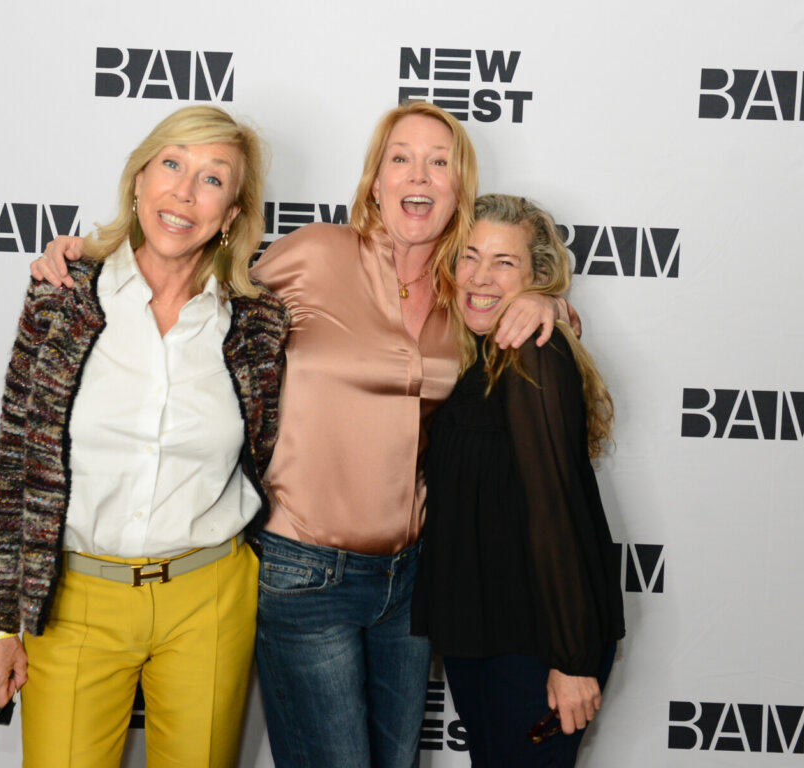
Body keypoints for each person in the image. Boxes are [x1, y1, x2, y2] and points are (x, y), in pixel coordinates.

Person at [31, 102, 571, 768]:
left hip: (410, 581)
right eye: (400, 158)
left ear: (460, 185)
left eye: (439, 162)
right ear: (375, 181)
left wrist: (548, 301)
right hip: (305, 570)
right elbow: (200, 284)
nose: (418, 175)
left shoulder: (465, 292)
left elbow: (523, 329)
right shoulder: (316, 254)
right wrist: (90, 254)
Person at [0, 105, 290, 768]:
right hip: (75, 600)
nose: (184, 192)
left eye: (212, 178)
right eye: (171, 164)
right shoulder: (63, 294)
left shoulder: (257, 320)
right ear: (139, 181)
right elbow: (15, 463)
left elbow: (269, 453)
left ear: (231, 214)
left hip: (210, 598)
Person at [411, 193, 625, 767]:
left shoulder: (534, 353)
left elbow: (556, 509)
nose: (481, 276)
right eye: (470, 256)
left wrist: (572, 661)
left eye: (504, 262)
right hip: (482, 632)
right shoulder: (478, 355)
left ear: (537, 277)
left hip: (537, 645)